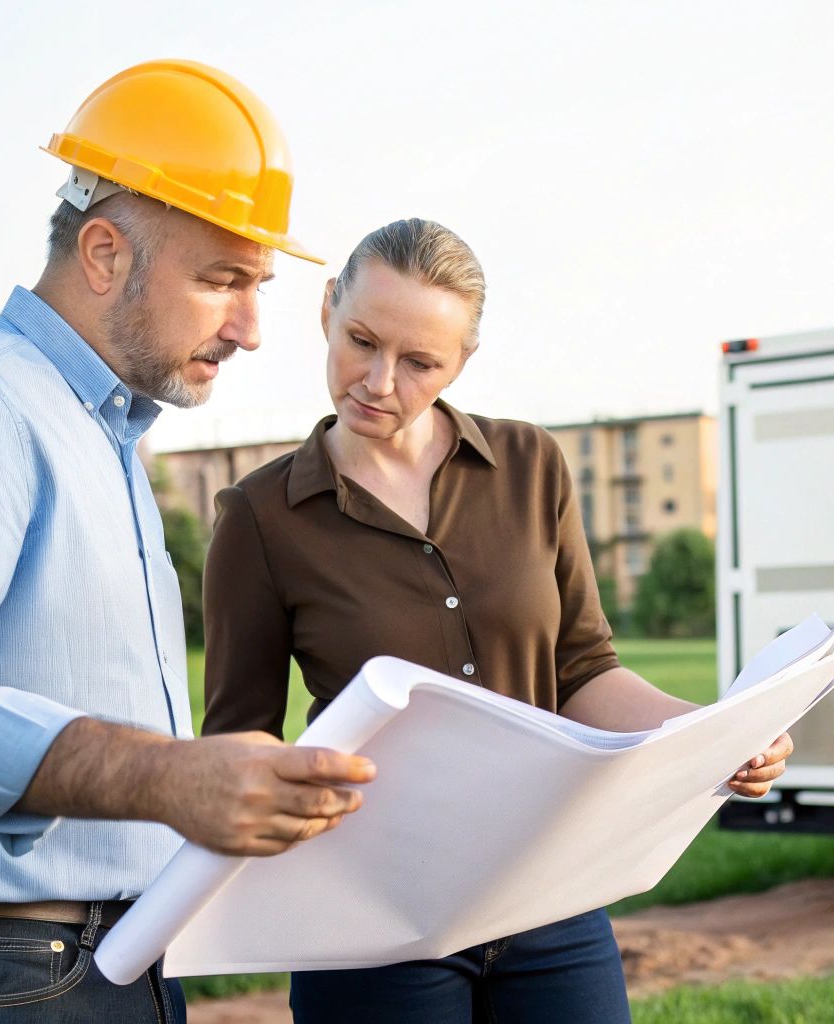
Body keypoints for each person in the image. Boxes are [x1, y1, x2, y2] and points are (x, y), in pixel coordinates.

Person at [0, 60, 374, 1023]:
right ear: (105, 253)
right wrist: (166, 778)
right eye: (221, 280)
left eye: (259, 285)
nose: (250, 327)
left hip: (104, 961)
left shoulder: (103, 440)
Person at [201, 218, 794, 1023]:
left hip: (550, 896)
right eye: (361, 341)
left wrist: (715, 735)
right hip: (373, 922)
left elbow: (582, 669)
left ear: (464, 360)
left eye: (420, 363)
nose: (378, 381)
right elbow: (241, 741)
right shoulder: (260, 516)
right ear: (327, 306)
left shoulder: (530, 464)